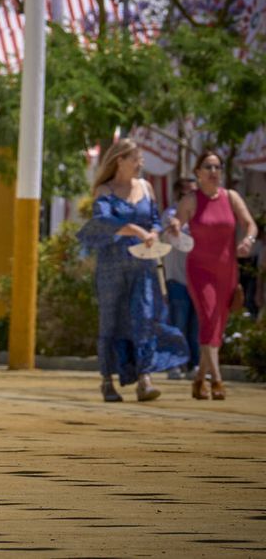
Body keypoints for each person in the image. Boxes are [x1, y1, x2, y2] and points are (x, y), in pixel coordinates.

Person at [79, 139, 188, 402]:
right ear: (120, 160)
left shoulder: (146, 187)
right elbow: (104, 221)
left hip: (143, 263)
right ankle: (107, 380)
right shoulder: (104, 190)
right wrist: (135, 230)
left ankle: (144, 379)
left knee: (145, 316)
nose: (141, 163)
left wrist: (153, 231)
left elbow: (152, 219)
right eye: (136, 158)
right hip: (112, 264)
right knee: (111, 318)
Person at [177, 152, 258, 400]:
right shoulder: (191, 200)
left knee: (217, 325)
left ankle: (200, 378)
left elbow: (250, 224)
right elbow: (175, 228)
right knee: (209, 318)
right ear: (198, 172)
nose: (214, 171)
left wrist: (248, 240)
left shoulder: (231, 197)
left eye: (217, 166)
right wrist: (173, 227)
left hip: (227, 271)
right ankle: (217, 379)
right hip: (200, 270)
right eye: (208, 166)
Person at [161, 176, 200, 380]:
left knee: (196, 327)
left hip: (199, 280)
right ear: (178, 194)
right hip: (177, 278)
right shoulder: (170, 215)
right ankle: (175, 365)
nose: (190, 197)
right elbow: (179, 241)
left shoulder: (201, 213)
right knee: (178, 325)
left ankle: (195, 365)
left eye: (194, 192)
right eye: (186, 193)